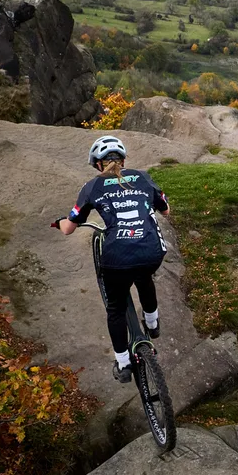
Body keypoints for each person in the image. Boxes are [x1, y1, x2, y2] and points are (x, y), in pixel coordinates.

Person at [52, 135, 170, 383]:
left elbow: (68, 228)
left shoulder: (92, 186)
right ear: (124, 160)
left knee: (116, 308)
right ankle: (153, 322)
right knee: (143, 275)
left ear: (97, 164)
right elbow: (166, 209)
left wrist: (59, 221)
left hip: (117, 256)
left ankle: (124, 364)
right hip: (152, 251)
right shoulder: (143, 177)